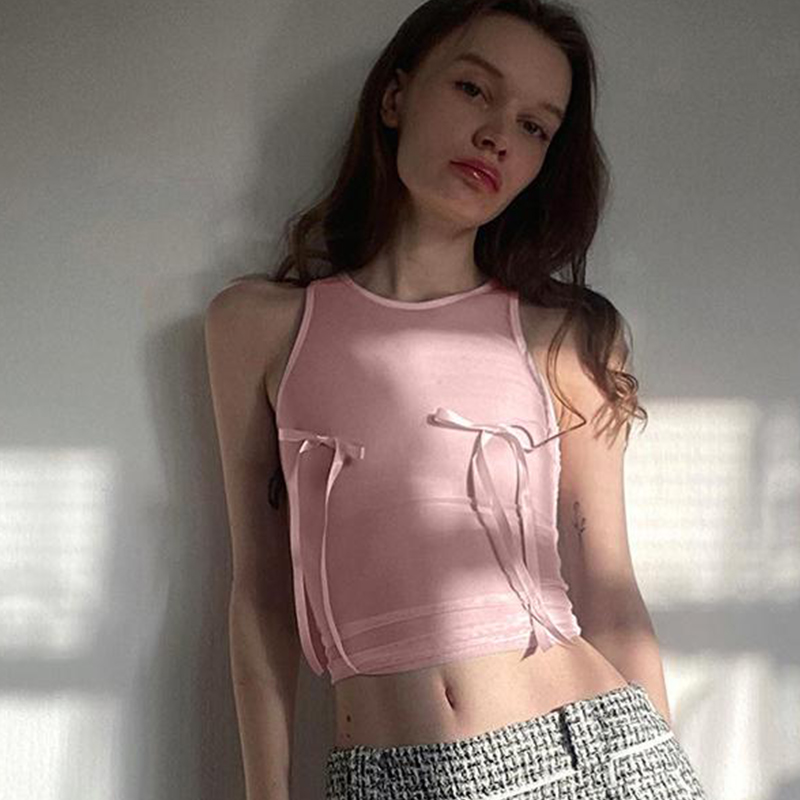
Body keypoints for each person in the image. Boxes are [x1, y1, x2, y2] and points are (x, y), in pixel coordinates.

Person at [204, 1, 709, 799]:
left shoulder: (562, 335)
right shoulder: (258, 325)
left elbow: (609, 593)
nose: (498, 136)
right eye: (475, 89)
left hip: (590, 758)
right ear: (395, 96)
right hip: (378, 775)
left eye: (535, 126)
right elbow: (261, 594)